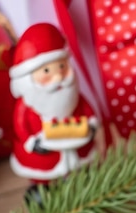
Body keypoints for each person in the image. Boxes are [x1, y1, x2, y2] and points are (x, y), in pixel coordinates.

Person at [8, 22, 99, 188]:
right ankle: (43, 189)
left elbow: (87, 110)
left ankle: (83, 181)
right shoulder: (27, 102)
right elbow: (20, 125)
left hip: (78, 145)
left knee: (82, 168)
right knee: (43, 174)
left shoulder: (73, 95)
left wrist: (91, 126)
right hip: (44, 153)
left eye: (62, 67)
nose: (58, 78)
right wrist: (32, 142)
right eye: (47, 71)